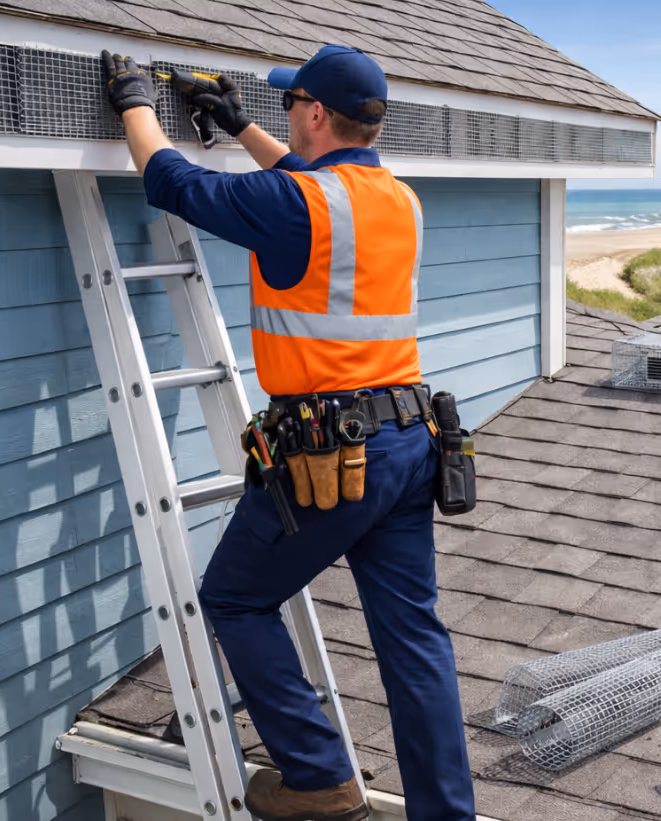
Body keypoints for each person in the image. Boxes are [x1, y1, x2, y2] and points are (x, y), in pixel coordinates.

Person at [100, 47, 476, 821]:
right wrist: (239, 125)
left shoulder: (296, 202)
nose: (281, 119)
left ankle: (318, 777)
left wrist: (133, 99)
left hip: (335, 453)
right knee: (414, 639)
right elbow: (311, 188)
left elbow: (172, 180)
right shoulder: (395, 197)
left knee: (234, 599)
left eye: (286, 107)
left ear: (311, 112)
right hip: (410, 442)